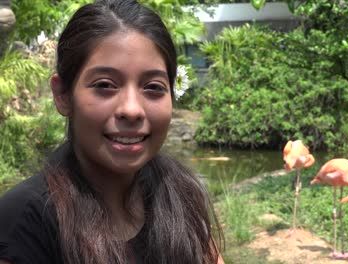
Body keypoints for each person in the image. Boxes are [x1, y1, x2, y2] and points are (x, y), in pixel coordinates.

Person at [0, 0, 223, 263]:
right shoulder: (26, 221)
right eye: (105, 85)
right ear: (62, 95)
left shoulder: (181, 197)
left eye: (153, 87)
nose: (132, 110)